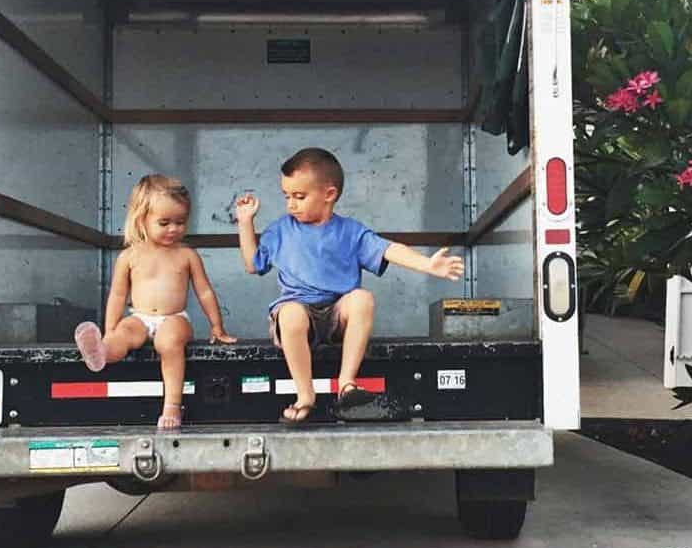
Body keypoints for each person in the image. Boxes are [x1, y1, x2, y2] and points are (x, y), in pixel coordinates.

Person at [235, 147, 464, 424]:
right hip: (296, 315)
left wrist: (427, 264)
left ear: (329, 195)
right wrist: (245, 222)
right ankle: (305, 394)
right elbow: (253, 264)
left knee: (362, 298)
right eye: (287, 197)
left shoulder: (350, 231)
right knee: (291, 313)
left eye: (299, 196)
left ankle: (347, 385)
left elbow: (389, 249)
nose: (291, 205)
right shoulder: (280, 230)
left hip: (336, 316)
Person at [75, 174, 235, 429]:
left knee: (168, 341)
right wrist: (111, 330)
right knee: (125, 334)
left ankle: (172, 404)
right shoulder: (129, 256)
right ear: (142, 219)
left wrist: (217, 326)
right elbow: (117, 295)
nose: (174, 229)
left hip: (175, 318)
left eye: (180, 222)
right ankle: (102, 352)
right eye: (164, 222)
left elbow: (204, 291)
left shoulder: (186, 254)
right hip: (139, 316)